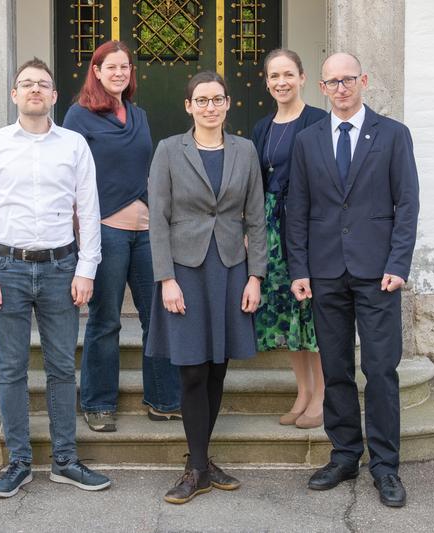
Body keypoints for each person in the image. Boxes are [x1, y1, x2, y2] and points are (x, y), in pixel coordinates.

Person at [0, 57, 110, 498]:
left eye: (42, 84)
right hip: (5, 268)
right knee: (10, 370)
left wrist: (87, 268)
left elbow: (88, 210)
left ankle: (65, 460)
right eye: (25, 84)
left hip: (60, 269)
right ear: (14, 95)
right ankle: (20, 461)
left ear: (53, 95)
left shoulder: (73, 145)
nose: (34, 90)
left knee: (62, 368)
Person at [286, 52, 420, 508]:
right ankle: (344, 454)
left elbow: (408, 204)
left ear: (363, 80)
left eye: (347, 80)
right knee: (336, 368)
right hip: (325, 273)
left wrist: (399, 264)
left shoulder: (393, 135)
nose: (340, 89)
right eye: (331, 83)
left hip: (378, 273)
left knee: (380, 370)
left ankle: (385, 466)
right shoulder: (307, 141)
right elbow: (297, 210)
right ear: (321, 88)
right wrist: (299, 269)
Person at [146, 71, 267, 504]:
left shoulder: (245, 151)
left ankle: (200, 460)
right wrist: (166, 280)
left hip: (231, 268)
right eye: (201, 100)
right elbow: (156, 220)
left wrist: (256, 276)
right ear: (188, 106)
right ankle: (197, 467)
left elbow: (256, 217)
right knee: (192, 368)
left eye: (217, 99)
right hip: (185, 271)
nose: (210, 107)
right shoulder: (168, 150)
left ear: (228, 104)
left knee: (218, 366)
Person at [63, 40, 181, 433]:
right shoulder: (78, 117)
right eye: (110, 67)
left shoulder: (139, 115)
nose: (119, 73)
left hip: (148, 233)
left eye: (125, 67)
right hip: (107, 233)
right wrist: (81, 228)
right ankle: (98, 403)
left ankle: (164, 398)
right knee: (105, 320)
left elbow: (146, 169)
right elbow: (70, 176)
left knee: (159, 318)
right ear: (96, 72)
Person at [251, 48, 327, 429]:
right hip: (271, 231)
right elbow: (257, 184)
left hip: (307, 230)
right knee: (286, 317)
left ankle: (322, 396)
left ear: (301, 77)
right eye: (274, 76)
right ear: (267, 82)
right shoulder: (263, 127)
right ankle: (303, 392)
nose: (281, 82)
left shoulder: (318, 121)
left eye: (287, 75)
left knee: (311, 316)